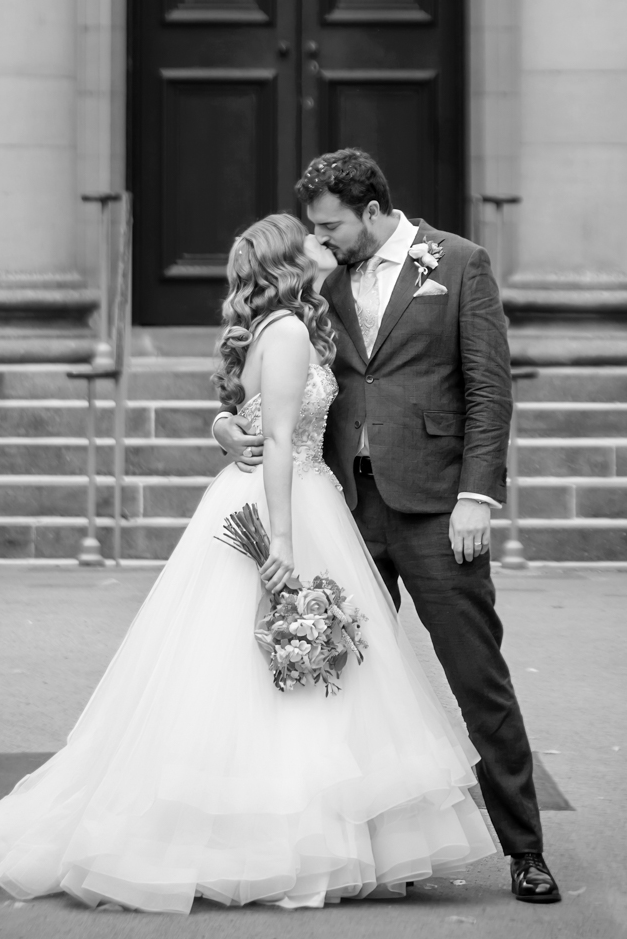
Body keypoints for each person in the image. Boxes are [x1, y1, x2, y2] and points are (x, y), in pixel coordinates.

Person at [0, 211, 495, 912]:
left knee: (262, 674)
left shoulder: (277, 328)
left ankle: (290, 839)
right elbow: (286, 439)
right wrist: (285, 544)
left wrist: (226, 425)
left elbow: (253, 413)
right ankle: (282, 844)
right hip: (284, 502)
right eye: (316, 240)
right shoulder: (289, 332)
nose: (329, 246)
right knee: (277, 675)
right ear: (294, 261)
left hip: (278, 491)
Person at [213, 152, 561, 906]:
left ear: (372, 210)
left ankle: (525, 849)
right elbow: (269, 377)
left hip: (438, 509)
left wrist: (479, 495)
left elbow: (489, 391)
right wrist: (222, 421)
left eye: (331, 224)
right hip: (342, 511)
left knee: (478, 680)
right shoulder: (323, 283)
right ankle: (367, 851)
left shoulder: (459, 265)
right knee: (346, 684)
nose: (321, 238)